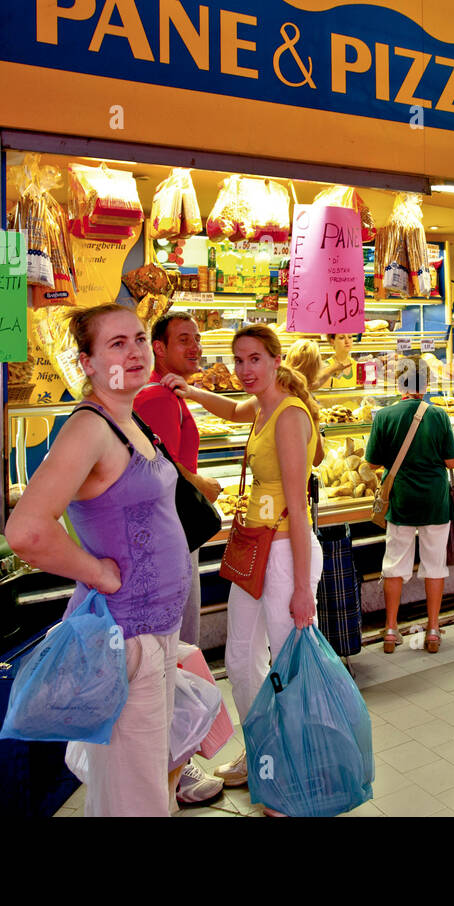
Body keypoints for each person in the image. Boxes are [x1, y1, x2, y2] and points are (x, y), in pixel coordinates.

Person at [5, 303, 191, 817]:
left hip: (158, 627)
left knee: (143, 780)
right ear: (86, 362)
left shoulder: (127, 419)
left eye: (137, 339)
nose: (133, 351)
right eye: (115, 344)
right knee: (138, 798)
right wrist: (98, 573)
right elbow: (26, 531)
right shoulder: (88, 427)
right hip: (128, 633)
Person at [162, 324, 322, 803]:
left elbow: (298, 505)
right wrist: (187, 389)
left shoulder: (290, 416)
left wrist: (301, 587)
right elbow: (230, 408)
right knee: (240, 660)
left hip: (283, 552)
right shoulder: (260, 407)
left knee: (284, 662)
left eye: (254, 359)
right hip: (255, 547)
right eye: (238, 360)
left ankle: (294, 761)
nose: (245, 370)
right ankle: (261, 751)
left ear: (275, 361)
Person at [132, 311, 225, 806]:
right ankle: (179, 769)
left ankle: (174, 764)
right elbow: (162, 467)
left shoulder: (166, 395)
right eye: (182, 340)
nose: (194, 347)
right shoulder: (158, 399)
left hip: (171, 539)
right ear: (159, 349)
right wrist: (203, 485)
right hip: (170, 542)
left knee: (177, 650)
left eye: (197, 339)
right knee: (180, 650)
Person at [363, 359, 454, 653]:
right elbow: (452, 462)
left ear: (398, 384)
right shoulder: (439, 415)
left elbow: (372, 462)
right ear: (426, 385)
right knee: (434, 565)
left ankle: (391, 630)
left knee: (394, 565)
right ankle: (432, 629)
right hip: (434, 501)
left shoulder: (385, 416)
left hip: (401, 501)